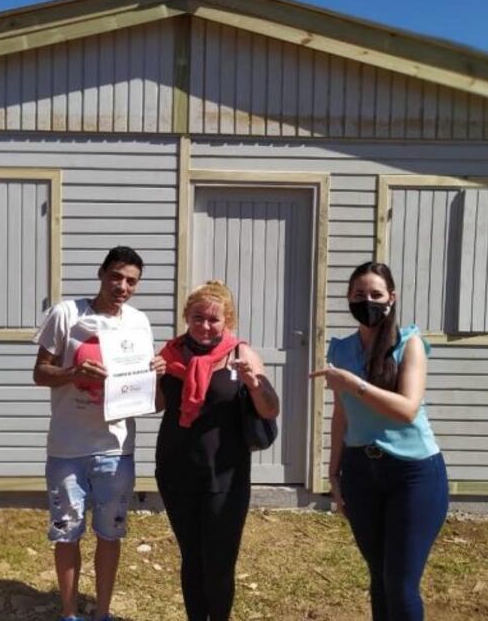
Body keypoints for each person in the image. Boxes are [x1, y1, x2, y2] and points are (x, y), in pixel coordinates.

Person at [32, 246, 165, 621]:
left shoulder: (138, 322)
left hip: (116, 448)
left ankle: (103, 612)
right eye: (116, 276)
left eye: (131, 281)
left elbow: (153, 400)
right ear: (101, 273)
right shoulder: (65, 314)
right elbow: (40, 373)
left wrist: (156, 373)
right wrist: (74, 374)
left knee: (110, 535)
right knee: (66, 534)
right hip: (67, 448)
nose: (122, 286)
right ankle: (70, 613)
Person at [310, 261, 448, 621]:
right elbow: (343, 414)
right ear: (348, 298)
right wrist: (334, 471)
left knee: (401, 585)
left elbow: (406, 410)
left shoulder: (410, 344)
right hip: (361, 472)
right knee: (379, 579)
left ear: (392, 298)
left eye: (375, 294)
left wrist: (353, 382)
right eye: (359, 294)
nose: (367, 301)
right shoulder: (341, 351)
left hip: (413, 474)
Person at [155, 281, 280, 621]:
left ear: (228, 321)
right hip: (176, 470)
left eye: (214, 320)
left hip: (225, 473)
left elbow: (270, 410)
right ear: (186, 317)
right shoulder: (169, 354)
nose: (206, 326)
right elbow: (153, 404)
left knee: (220, 562)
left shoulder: (241, 354)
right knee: (192, 558)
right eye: (198, 318)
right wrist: (150, 378)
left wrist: (254, 383)